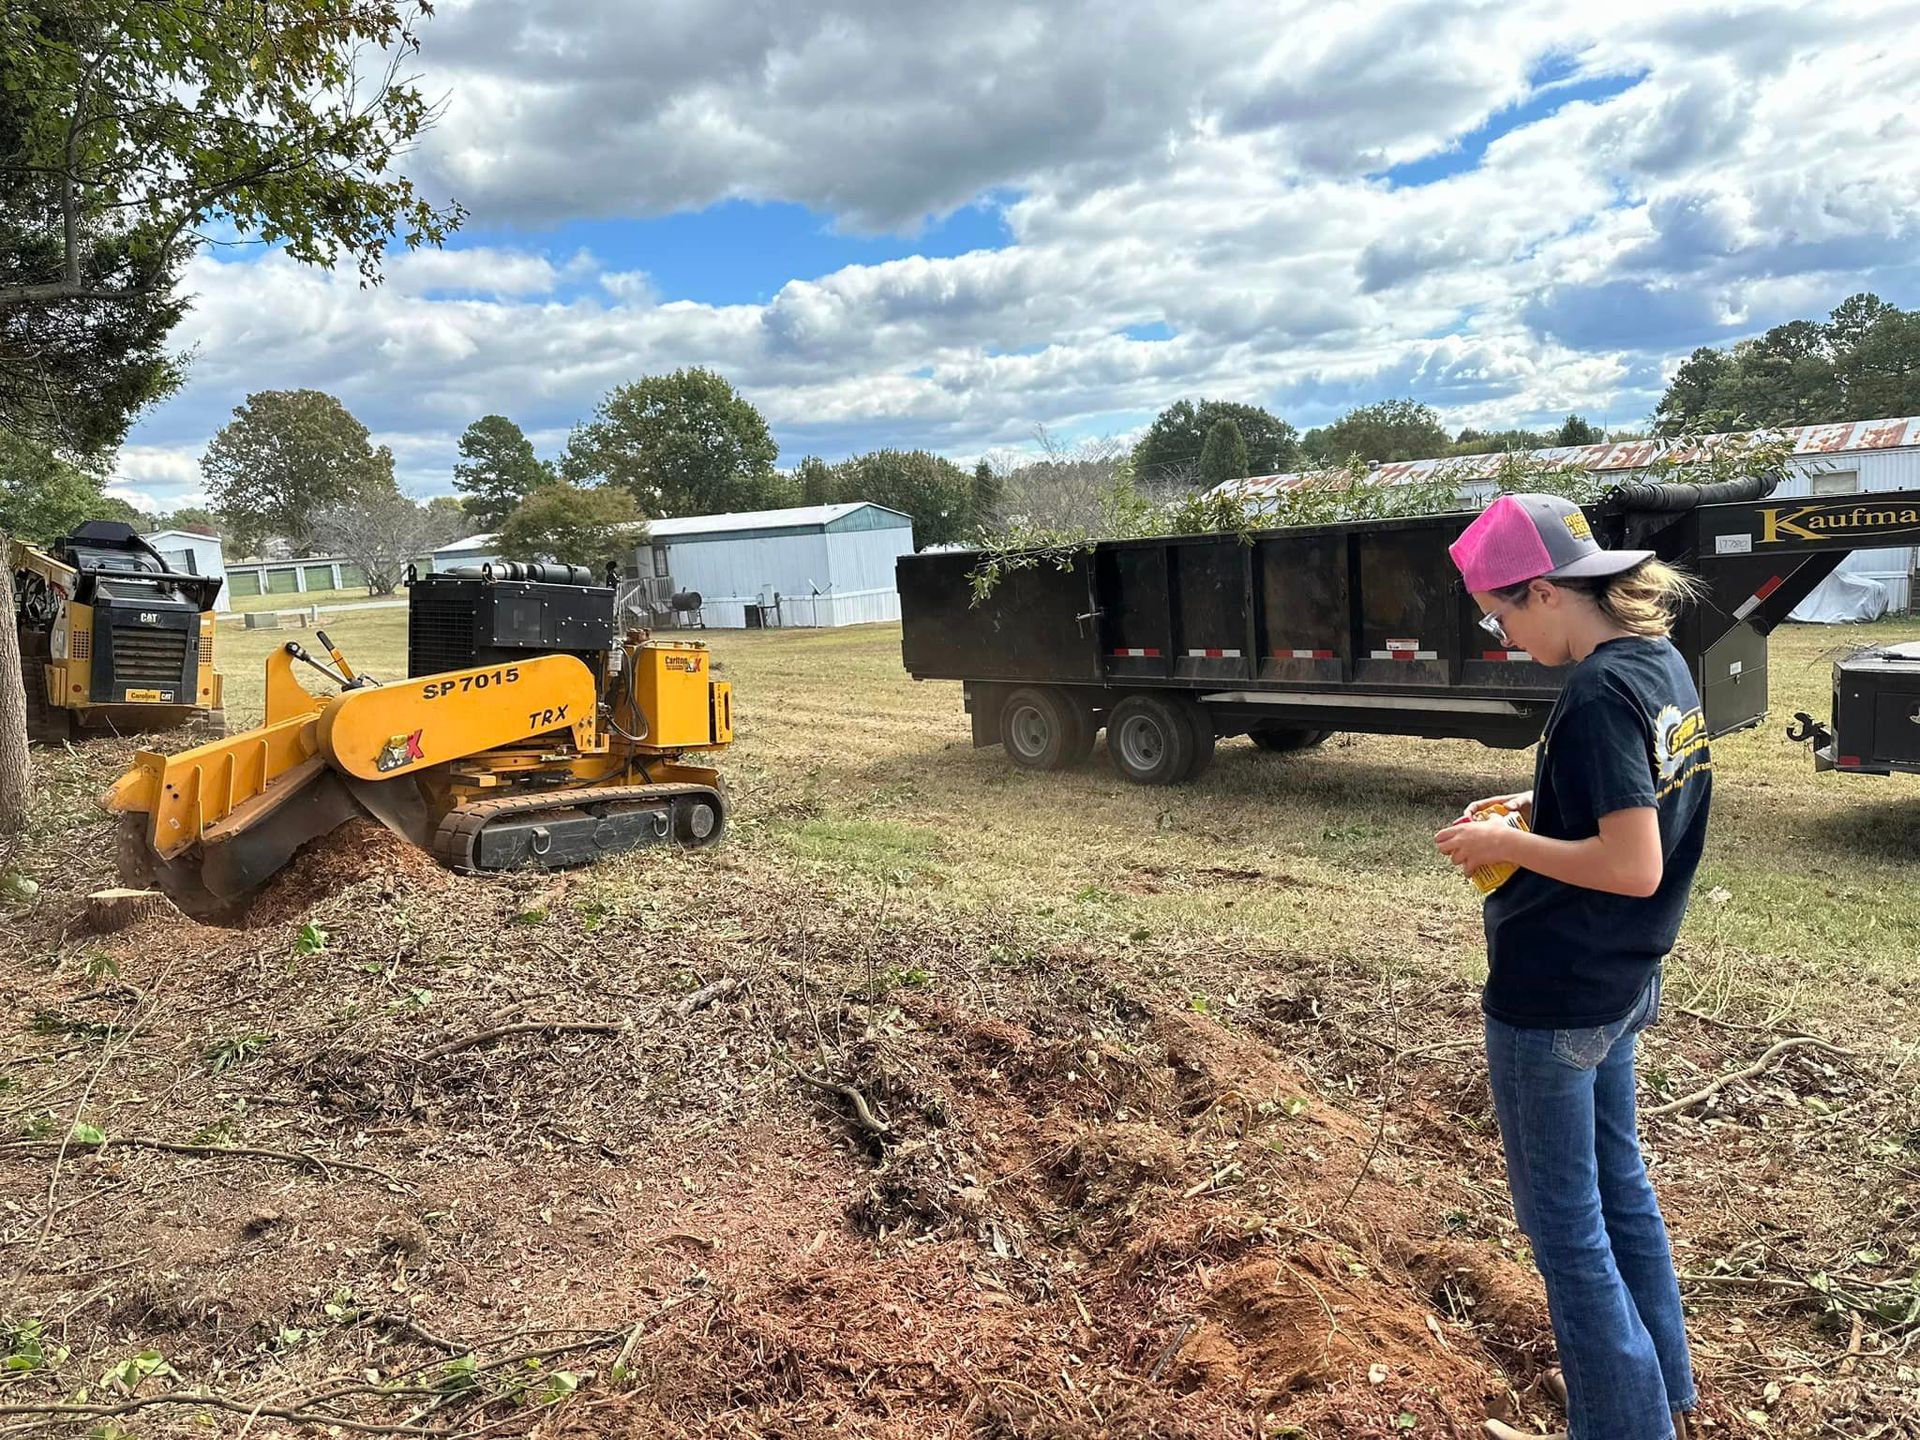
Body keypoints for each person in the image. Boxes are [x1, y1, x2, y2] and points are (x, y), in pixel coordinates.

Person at [1433, 493, 1712, 1440]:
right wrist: (1533, 798)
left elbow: (1631, 866)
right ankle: (1662, 1393)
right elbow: (1632, 792)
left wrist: (1495, 851)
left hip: (1554, 998)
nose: (1502, 633)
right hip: (1622, 984)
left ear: (1545, 590)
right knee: (1620, 1189)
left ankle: (1625, 1427)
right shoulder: (1657, 662)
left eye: (1500, 614)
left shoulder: (1594, 691)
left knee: (1567, 1233)